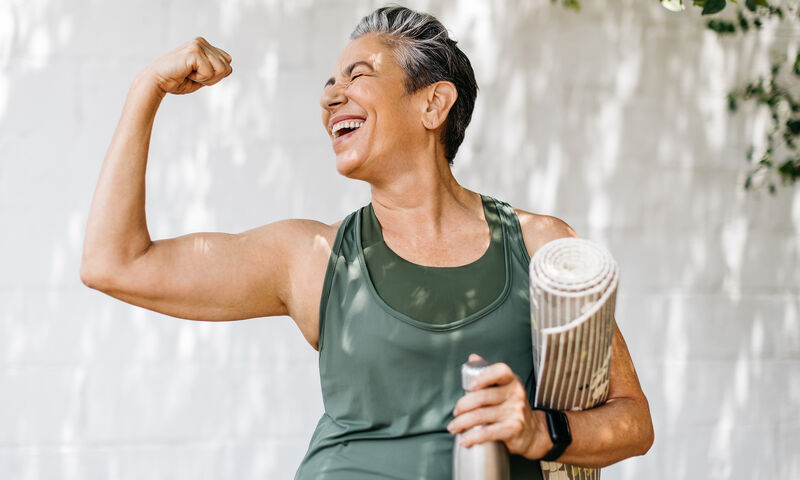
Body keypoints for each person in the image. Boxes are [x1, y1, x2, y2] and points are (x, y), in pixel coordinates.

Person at [81, 5, 654, 479]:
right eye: (329, 82)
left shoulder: (540, 245)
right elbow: (114, 263)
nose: (331, 96)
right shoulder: (312, 258)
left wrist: (538, 430)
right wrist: (146, 88)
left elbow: (632, 421)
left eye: (357, 75)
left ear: (432, 103)